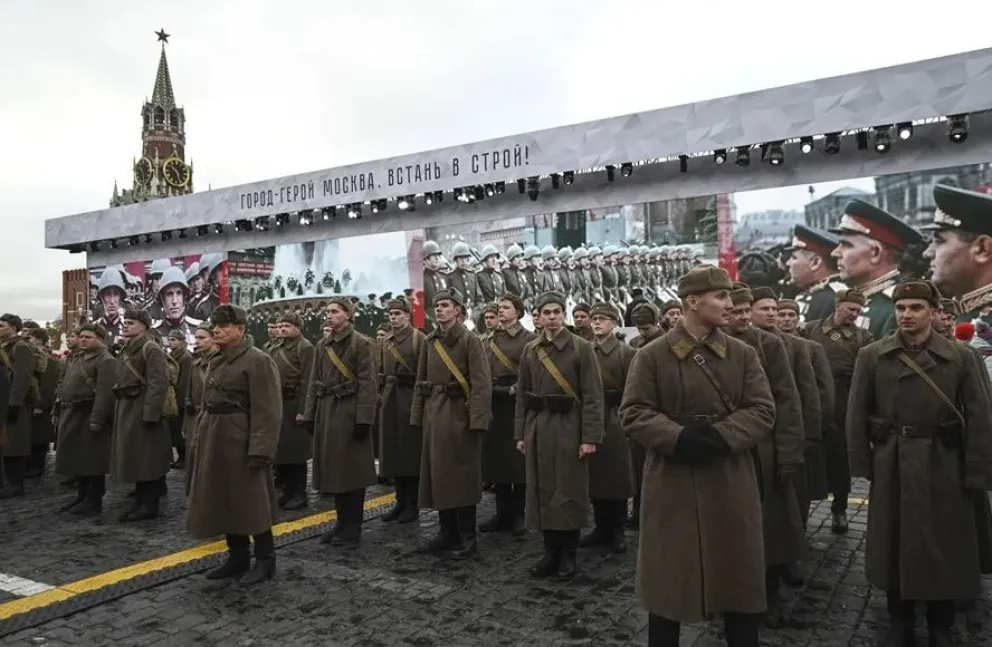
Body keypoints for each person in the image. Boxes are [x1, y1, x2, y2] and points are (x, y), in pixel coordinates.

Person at [619, 265, 775, 647]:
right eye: (720, 297)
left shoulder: (743, 354)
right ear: (692, 301)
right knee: (669, 581)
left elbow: (763, 409)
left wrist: (722, 437)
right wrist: (679, 438)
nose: (730, 304)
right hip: (672, 478)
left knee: (737, 576)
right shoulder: (652, 355)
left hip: (729, 476)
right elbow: (633, 412)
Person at [847, 280, 992, 646]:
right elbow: (856, 414)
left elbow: (980, 417)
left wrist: (977, 472)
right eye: (901, 308)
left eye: (916, 308)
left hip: (944, 462)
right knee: (894, 541)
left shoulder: (962, 357)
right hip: (893, 461)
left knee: (946, 541)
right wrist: (864, 465)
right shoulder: (873, 355)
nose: (907, 315)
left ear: (932, 311)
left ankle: (941, 618)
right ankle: (900, 617)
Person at [187, 305, 282, 586]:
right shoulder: (217, 359)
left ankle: (266, 560)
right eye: (215, 325)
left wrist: (261, 449)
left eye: (224, 326)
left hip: (242, 439)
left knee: (252, 502)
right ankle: (237, 556)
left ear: (241, 329)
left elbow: (268, 409)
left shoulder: (258, 360)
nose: (217, 330)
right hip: (216, 437)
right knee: (224, 499)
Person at [514, 290, 604, 579]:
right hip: (539, 425)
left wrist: (590, 437)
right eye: (546, 312)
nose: (552, 317)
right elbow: (523, 397)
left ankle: (569, 554)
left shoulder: (581, 348)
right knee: (542, 488)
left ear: (563, 314)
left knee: (569, 488)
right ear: (537, 317)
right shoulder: (531, 349)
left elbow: (592, 396)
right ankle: (550, 553)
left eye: (556, 312)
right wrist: (521, 433)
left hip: (569, 426)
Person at [410, 288, 492, 559]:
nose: (440, 310)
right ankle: (447, 533)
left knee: (463, 477)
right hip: (435, 415)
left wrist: (477, 420)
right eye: (437, 305)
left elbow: (481, 383)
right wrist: (417, 415)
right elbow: (420, 381)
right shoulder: (430, 341)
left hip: (460, 415)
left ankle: (468, 537)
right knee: (439, 476)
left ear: (458, 310)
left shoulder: (470, 341)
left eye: (446, 305)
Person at [303, 297, 378, 547]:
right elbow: (315, 381)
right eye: (327, 312)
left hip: (349, 411)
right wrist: (310, 414)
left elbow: (368, 383)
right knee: (334, 470)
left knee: (352, 473)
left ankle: (353, 527)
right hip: (327, 411)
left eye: (334, 311)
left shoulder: (361, 343)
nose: (329, 315)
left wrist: (364, 418)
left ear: (348, 314)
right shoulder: (322, 344)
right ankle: (341, 523)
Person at [803, 289, 874, 534]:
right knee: (809, 459)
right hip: (814, 402)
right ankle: (803, 511)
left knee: (841, 461)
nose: (854, 314)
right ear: (838, 305)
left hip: (844, 405)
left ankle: (839, 509)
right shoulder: (810, 330)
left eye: (858, 310)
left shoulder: (863, 337)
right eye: (850, 309)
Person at [581, 302, 636, 554]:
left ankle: (617, 529)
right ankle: (601, 526)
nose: (597, 323)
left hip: (616, 419)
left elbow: (635, 389)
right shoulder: (584, 351)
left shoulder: (626, 353)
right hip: (592, 417)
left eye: (603, 319)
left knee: (617, 475)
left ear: (614, 323)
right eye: (594, 319)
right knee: (596, 475)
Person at [109, 309, 172, 521]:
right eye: (125, 322)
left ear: (143, 326)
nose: (125, 325)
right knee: (136, 457)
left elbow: (158, 383)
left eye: (131, 323)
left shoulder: (150, 348)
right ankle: (140, 500)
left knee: (148, 459)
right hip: (127, 407)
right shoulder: (127, 348)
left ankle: (149, 505)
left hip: (142, 408)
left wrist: (151, 414)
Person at [479, 294, 534, 535]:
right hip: (495, 406)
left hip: (517, 406)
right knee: (498, 462)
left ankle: (519, 514)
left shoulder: (529, 340)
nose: (501, 311)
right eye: (499, 307)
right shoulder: (487, 340)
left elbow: (532, 372)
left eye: (506, 307)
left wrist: (516, 389)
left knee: (518, 464)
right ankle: (501, 514)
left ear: (518, 312)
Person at [53, 323, 116, 515]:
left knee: (92, 460)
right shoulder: (76, 357)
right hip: (71, 414)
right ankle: (82, 495)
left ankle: (93, 499)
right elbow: (63, 383)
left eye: (88, 337)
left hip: (88, 414)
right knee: (77, 458)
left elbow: (105, 394)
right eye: (81, 336)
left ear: (100, 339)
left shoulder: (106, 361)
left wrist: (97, 419)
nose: (82, 339)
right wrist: (56, 409)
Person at [378, 297, 427, 524]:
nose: (393, 317)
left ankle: (412, 504)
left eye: (398, 314)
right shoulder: (386, 341)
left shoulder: (419, 339)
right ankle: (399, 500)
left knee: (410, 450)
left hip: (409, 397)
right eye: (391, 314)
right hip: (390, 399)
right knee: (393, 449)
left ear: (408, 315)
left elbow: (424, 372)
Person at [271, 313, 314, 511]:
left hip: (294, 403)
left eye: (286, 326)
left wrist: (303, 410)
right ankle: (286, 490)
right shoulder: (277, 347)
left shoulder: (304, 348)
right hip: (279, 405)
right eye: (279, 326)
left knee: (296, 453)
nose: (281, 329)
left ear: (298, 327)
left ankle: (299, 493)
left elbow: (307, 381)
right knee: (282, 451)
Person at [0, 313, 37, 499]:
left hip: (15, 402)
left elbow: (22, 378)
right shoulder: (4, 346)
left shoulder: (21, 347)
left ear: (14, 327)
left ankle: (16, 485)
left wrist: (14, 405)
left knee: (15, 442)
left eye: (2, 326)